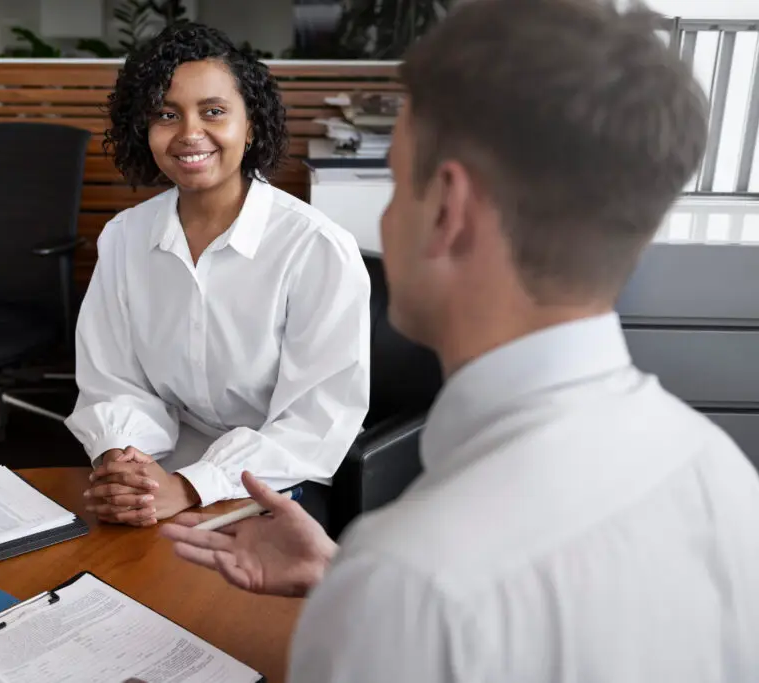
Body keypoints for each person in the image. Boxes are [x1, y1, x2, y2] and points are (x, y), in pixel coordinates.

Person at [161, 0, 759, 680]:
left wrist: (369, 601)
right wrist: (343, 577)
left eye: (397, 184)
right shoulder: (724, 475)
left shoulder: (411, 583)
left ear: (448, 208)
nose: (385, 221)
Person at [66, 23, 370, 529]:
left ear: (250, 126)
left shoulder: (315, 247)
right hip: (167, 462)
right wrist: (126, 460)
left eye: (213, 111)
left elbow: (315, 421)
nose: (189, 133)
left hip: (278, 477)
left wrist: (191, 487)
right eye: (167, 115)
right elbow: (113, 380)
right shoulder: (125, 237)